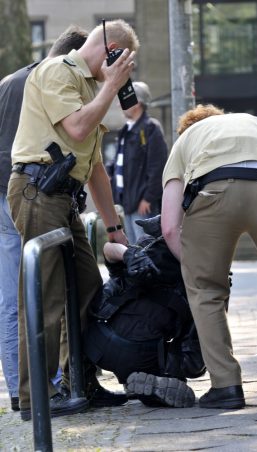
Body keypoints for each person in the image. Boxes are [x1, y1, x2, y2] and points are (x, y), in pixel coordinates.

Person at [7, 19, 139, 421]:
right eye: (124, 61)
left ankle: (78, 381)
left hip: (62, 196)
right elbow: (78, 128)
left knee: (86, 285)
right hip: (37, 190)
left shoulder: (87, 87)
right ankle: (36, 398)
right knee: (45, 295)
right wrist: (112, 86)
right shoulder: (56, 72)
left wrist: (114, 228)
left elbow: (94, 164)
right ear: (111, 49)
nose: (125, 71)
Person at [161, 103, 257, 410]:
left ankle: (226, 387)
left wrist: (197, 266)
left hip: (213, 193)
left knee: (206, 290)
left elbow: (170, 228)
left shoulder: (185, 141)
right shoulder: (252, 122)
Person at [0, 25, 89, 413]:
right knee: (40, 290)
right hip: (31, 190)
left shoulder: (7, 82)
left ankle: (22, 392)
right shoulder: (52, 81)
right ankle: (46, 387)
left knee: (15, 296)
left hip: (10, 192)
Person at [83, 215, 206, 408]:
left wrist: (128, 254)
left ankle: (123, 378)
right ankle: (161, 375)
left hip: (94, 342)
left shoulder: (141, 254)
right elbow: (194, 364)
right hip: (142, 355)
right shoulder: (196, 280)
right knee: (182, 357)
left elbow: (109, 249)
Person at [109, 81, 168, 244]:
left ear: (138, 103)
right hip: (127, 201)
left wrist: (148, 198)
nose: (121, 104)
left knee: (146, 247)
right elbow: (117, 162)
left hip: (142, 203)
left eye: (125, 99)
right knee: (136, 247)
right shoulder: (126, 130)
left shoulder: (150, 128)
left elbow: (158, 167)